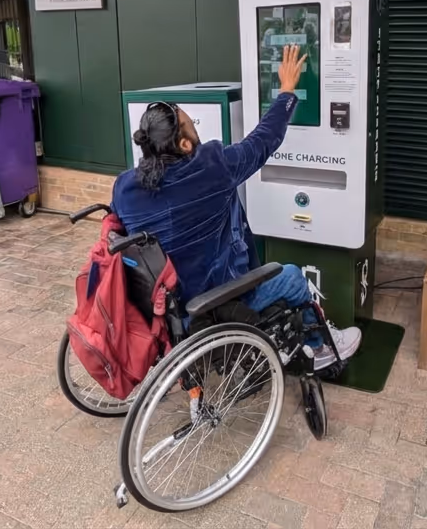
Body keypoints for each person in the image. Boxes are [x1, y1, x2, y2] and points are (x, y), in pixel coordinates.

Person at [112, 44, 362, 370]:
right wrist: (287, 90)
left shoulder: (124, 187)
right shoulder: (213, 167)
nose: (196, 128)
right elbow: (262, 141)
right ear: (185, 144)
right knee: (291, 277)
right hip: (214, 303)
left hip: (167, 309)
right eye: (191, 125)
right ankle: (323, 348)